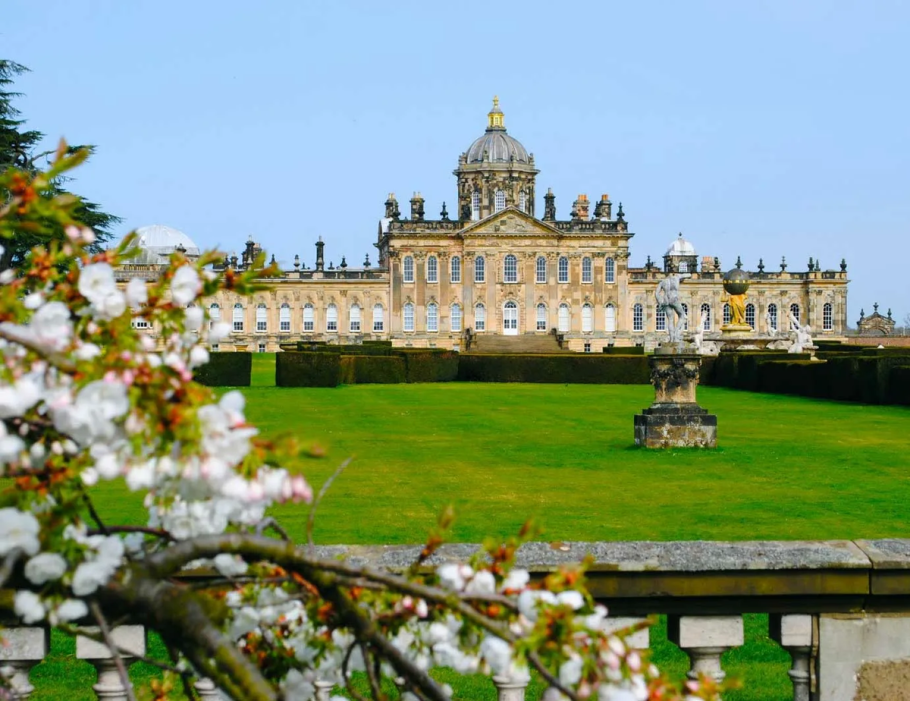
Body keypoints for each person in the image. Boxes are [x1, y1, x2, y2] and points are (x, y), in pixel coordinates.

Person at [655, 272, 690, 342]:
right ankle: (676, 334)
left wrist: (660, 302)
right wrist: (682, 277)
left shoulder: (663, 281)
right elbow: (689, 275)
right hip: (674, 298)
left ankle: (671, 339)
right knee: (682, 316)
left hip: (666, 301)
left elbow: (656, 293)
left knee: (670, 320)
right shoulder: (677, 277)